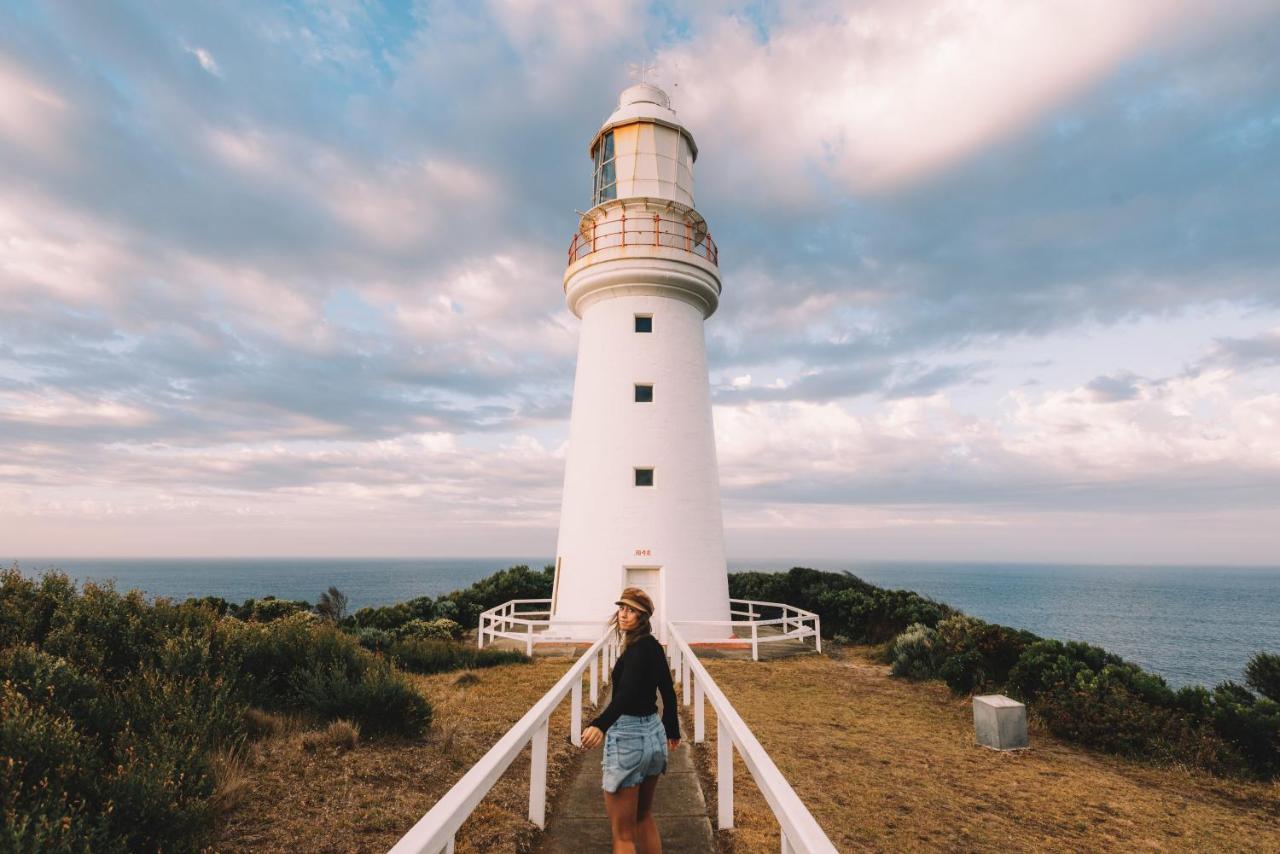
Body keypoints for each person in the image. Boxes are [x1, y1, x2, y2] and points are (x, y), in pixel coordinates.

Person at [580, 587, 680, 853]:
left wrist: (600, 724)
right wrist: (672, 728)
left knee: (623, 835)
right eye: (622, 608)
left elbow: (625, 695)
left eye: (632, 610)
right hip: (654, 735)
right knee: (643, 817)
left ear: (643, 617)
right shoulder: (653, 647)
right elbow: (667, 691)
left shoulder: (636, 652)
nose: (624, 614)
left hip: (628, 739)